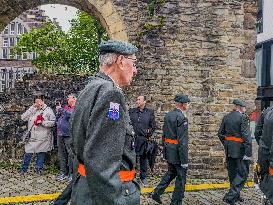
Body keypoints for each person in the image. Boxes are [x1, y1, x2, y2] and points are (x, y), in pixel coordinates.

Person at [70, 40, 140, 205]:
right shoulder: (111, 94)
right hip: (105, 194)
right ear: (121, 61)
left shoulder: (90, 88)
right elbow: (101, 161)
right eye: (134, 63)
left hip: (87, 189)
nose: (135, 70)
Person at [150, 94, 190, 205]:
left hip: (169, 150)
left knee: (171, 173)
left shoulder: (168, 115)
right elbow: (183, 141)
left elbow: (164, 135)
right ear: (182, 105)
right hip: (177, 153)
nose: (188, 105)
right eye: (187, 103)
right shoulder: (182, 118)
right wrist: (184, 160)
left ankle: (156, 193)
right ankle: (176, 202)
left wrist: (165, 149)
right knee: (181, 179)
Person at [218, 99, 252, 205]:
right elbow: (246, 136)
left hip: (229, 149)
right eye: (244, 107)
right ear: (240, 107)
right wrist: (248, 153)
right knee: (243, 173)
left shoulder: (226, 117)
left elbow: (220, 134)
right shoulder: (243, 117)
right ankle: (230, 196)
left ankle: (235, 196)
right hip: (240, 150)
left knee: (232, 173)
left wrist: (227, 144)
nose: (245, 109)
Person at [20, 94, 56, 175]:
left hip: (43, 137)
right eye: (36, 102)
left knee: (41, 153)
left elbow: (53, 122)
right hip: (32, 136)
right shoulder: (33, 110)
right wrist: (32, 108)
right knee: (28, 152)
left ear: (43, 101)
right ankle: (24, 169)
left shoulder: (48, 110)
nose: (38, 103)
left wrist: (43, 122)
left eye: (39, 101)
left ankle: (38, 169)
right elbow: (23, 117)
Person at [129, 95, 156, 187]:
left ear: (144, 101)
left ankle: (143, 177)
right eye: (137, 99)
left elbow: (153, 126)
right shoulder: (132, 111)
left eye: (139, 99)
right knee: (132, 158)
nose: (137, 101)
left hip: (143, 139)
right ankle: (132, 176)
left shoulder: (149, 113)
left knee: (143, 159)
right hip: (132, 139)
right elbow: (128, 123)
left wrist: (148, 133)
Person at [55, 94, 77, 182]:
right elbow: (59, 118)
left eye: (69, 97)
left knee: (71, 155)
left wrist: (60, 110)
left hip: (69, 135)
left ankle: (71, 174)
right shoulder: (66, 108)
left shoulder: (77, 107)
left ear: (75, 99)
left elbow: (71, 115)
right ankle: (63, 173)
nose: (67, 99)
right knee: (61, 154)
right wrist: (58, 114)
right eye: (67, 98)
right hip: (60, 134)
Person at [257, 107, 273, 205]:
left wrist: (263, 146)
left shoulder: (266, 111)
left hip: (264, 153)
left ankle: (267, 197)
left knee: (264, 176)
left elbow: (257, 132)